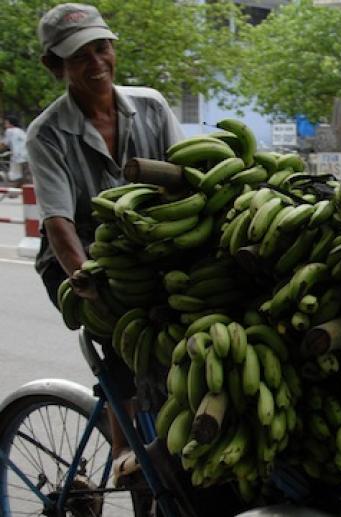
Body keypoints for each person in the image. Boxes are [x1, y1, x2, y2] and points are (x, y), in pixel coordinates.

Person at [27, 2, 183, 486]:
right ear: (57, 66)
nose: (96, 64)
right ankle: (122, 451)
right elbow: (57, 222)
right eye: (79, 57)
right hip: (78, 254)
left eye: (102, 48)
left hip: (147, 244)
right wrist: (87, 277)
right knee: (124, 326)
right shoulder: (47, 134)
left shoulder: (152, 107)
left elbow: (186, 179)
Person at [2, 116, 30, 192]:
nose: (5, 125)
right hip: (27, 156)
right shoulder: (21, 131)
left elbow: (4, 144)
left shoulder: (10, 131)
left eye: (6, 123)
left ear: (11, 124)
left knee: (14, 175)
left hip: (17, 156)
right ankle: (24, 192)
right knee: (24, 176)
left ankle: (13, 192)